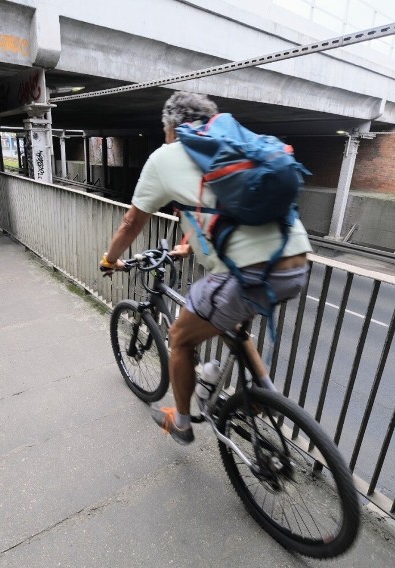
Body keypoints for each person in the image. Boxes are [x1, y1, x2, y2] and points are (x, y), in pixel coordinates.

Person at [100, 91, 312, 445]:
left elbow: (131, 223)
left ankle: (181, 422)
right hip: (296, 259)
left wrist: (109, 259)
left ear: (171, 126)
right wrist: (189, 246)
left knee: (180, 338)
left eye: (166, 130)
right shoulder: (231, 139)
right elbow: (220, 206)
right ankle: (267, 397)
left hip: (250, 272)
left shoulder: (166, 154)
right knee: (235, 331)